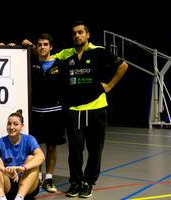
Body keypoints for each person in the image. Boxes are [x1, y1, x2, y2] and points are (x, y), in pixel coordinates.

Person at [54, 21, 128, 198]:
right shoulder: (66, 54)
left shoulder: (99, 52)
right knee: (75, 148)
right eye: (74, 33)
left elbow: (123, 65)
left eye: (80, 32)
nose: (77, 36)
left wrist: (109, 86)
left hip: (96, 107)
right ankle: (76, 181)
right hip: (74, 109)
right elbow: (46, 57)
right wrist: (28, 46)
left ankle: (88, 182)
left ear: (87, 35)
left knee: (95, 149)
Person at [21, 33, 66, 193]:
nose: (42, 47)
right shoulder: (31, 63)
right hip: (35, 112)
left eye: (45, 44)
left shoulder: (59, 65)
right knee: (35, 147)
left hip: (54, 112)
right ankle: (37, 176)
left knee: (52, 147)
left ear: (51, 47)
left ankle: (48, 178)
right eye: (39, 44)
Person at [0, 109, 45, 200]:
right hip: (7, 185)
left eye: (15, 124)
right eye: (9, 124)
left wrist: (23, 167)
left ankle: (19, 197)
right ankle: (1, 197)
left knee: (31, 158)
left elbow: (41, 156)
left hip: (26, 185)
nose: (11, 127)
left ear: (22, 126)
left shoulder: (29, 139)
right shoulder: (0, 141)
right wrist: (3, 169)